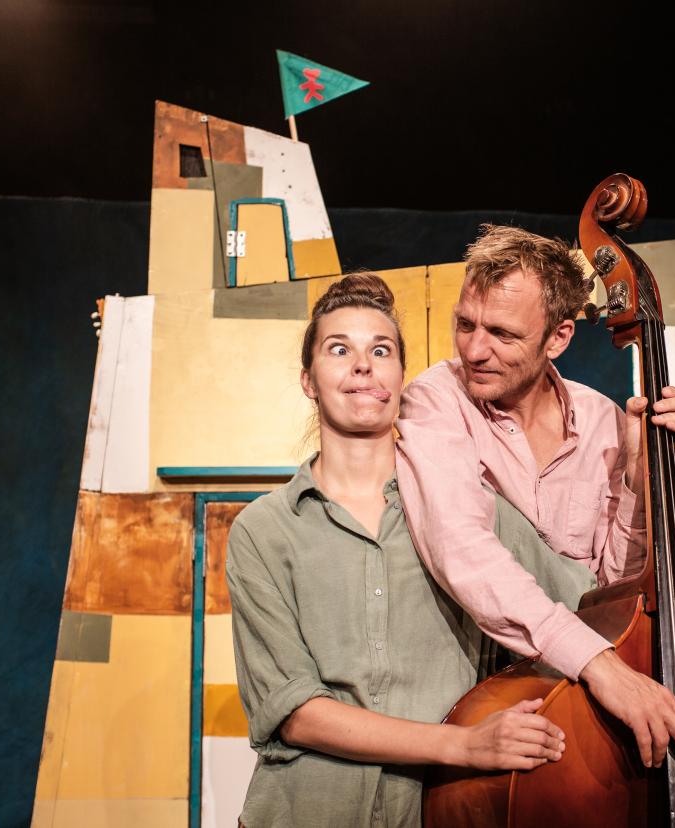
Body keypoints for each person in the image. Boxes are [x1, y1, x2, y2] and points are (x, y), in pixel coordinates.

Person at [227, 274, 597, 827]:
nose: (363, 366)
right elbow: (296, 712)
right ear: (308, 380)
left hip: (439, 813)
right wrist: (463, 745)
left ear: (402, 376)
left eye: (381, 351)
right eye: (339, 350)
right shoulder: (263, 530)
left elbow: (588, 605)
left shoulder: (474, 511)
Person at [396, 225, 675, 771]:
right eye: (465, 324)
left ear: (558, 338)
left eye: (502, 334)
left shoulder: (603, 422)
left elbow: (607, 593)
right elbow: (463, 549)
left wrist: (641, 484)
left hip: (569, 704)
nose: (473, 349)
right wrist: (600, 665)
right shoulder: (436, 399)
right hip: (470, 703)